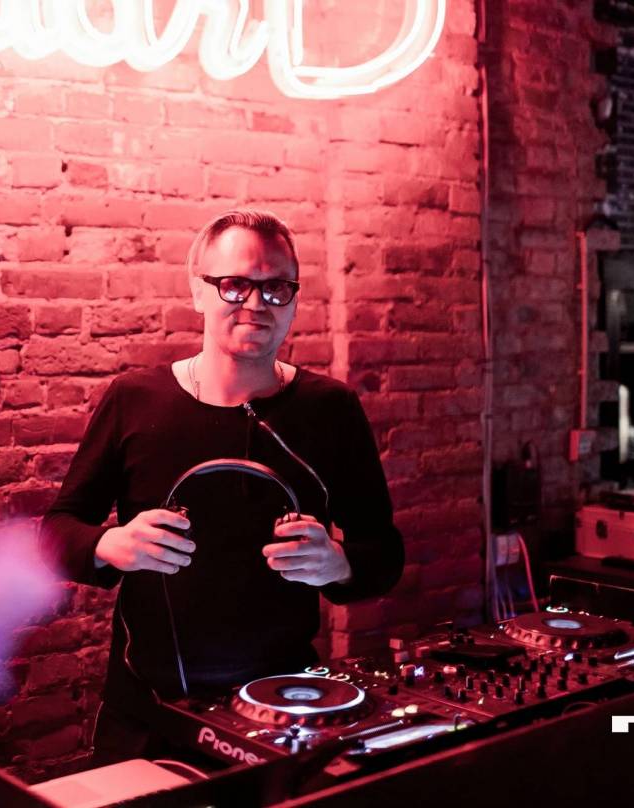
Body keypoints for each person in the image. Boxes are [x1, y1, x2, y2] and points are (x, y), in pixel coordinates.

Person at [40, 208, 404, 765]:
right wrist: (109, 544)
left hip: (286, 706)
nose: (257, 303)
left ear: (294, 299)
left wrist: (339, 563)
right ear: (198, 292)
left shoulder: (330, 409)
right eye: (235, 285)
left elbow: (385, 553)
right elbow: (54, 533)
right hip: (147, 710)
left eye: (277, 287)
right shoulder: (135, 399)